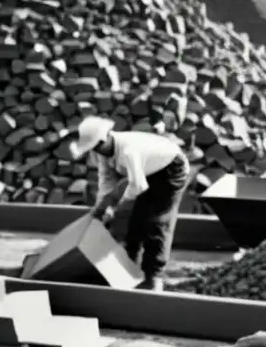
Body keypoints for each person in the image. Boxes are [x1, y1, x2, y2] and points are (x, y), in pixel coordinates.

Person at [73, 116, 190, 292]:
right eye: (92, 149)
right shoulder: (103, 152)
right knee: (135, 221)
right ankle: (128, 269)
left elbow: (137, 186)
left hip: (172, 169)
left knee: (156, 222)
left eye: (97, 147)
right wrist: (100, 209)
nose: (96, 151)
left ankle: (153, 277)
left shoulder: (129, 151)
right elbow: (106, 181)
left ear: (106, 138)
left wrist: (117, 207)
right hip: (147, 170)